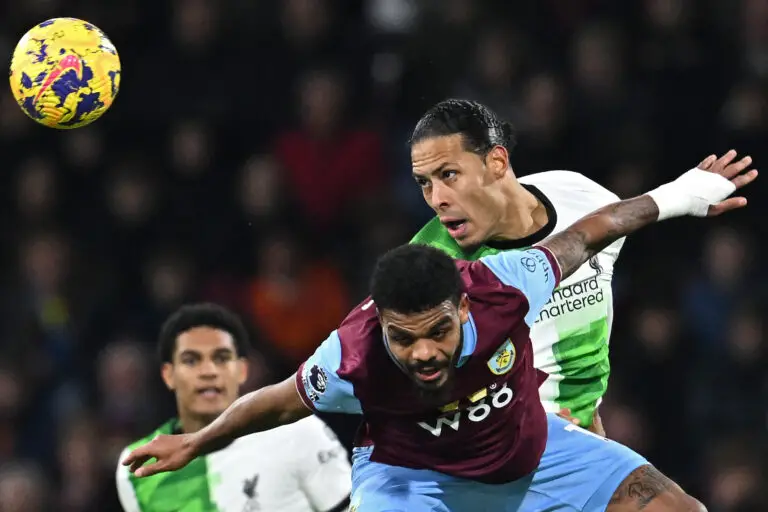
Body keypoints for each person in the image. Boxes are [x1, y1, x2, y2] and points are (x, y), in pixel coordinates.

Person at [123, 152, 756, 510]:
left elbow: (596, 227)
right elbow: (280, 399)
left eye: (437, 332)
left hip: (530, 455)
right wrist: (197, 442)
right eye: (404, 339)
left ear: (463, 308)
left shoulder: (504, 286)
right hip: (412, 480)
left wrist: (683, 193)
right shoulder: (352, 356)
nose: (423, 353)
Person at [409, 99, 621, 433]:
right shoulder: (428, 267)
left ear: (496, 162)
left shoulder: (584, 199)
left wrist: (588, 423)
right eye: (424, 183)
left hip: (585, 439)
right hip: (497, 452)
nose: (437, 199)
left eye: (449, 175)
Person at [115, 303, 352, 512]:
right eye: (191, 360)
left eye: (221, 358)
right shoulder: (138, 466)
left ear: (242, 371)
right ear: (168, 375)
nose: (208, 371)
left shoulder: (298, 432)